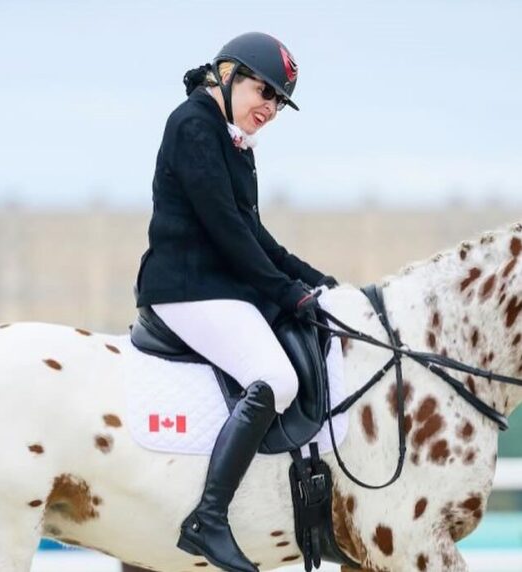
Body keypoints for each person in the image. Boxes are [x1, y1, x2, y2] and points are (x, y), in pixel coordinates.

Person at [134, 32, 337, 572]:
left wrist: (317, 282)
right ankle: (209, 518)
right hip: (186, 286)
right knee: (277, 378)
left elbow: (257, 236)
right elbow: (226, 231)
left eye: (278, 101)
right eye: (263, 90)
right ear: (226, 75)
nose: (269, 107)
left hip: (217, 287)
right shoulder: (194, 124)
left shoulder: (232, 141)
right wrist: (285, 293)